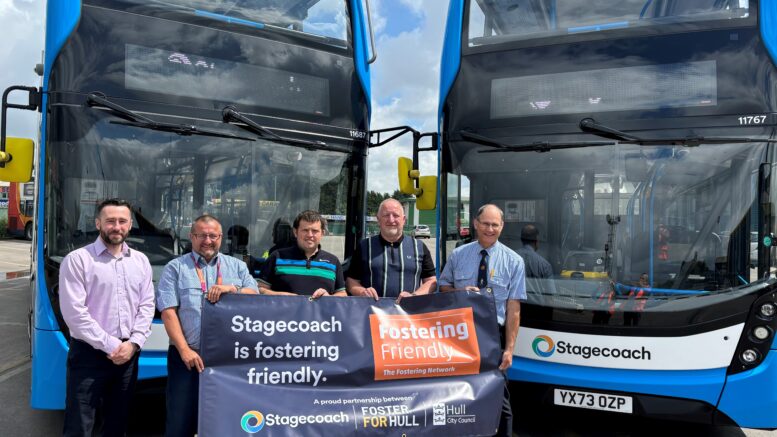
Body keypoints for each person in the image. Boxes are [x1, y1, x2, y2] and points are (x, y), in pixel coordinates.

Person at [59, 198, 155, 437]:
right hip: (89, 355)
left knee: (117, 423)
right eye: (110, 221)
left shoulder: (140, 261)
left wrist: (133, 344)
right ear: (98, 223)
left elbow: (146, 305)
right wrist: (114, 346)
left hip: (128, 356)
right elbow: (75, 315)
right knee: (79, 426)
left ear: (130, 224)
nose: (117, 226)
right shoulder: (78, 260)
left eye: (122, 221)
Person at [156, 214, 259, 437]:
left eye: (213, 235)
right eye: (202, 235)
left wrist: (231, 289)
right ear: (192, 237)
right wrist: (184, 350)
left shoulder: (237, 267)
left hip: (227, 360)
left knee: (226, 422)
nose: (208, 240)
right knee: (180, 421)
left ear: (221, 238)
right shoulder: (176, 268)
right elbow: (168, 312)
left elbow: (255, 294)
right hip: (188, 358)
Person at [438, 204, 526, 437]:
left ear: (502, 227)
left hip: (492, 338)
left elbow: (514, 309)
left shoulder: (514, 261)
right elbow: (443, 287)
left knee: (499, 398)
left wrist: (509, 349)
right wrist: (459, 292)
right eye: (485, 224)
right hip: (461, 335)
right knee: (459, 395)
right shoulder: (458, 255)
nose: (489, 229)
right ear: (475, 224)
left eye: (494, 224)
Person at [346, 198, 436, 301]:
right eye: (386, 215)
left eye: (396, 215)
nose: (391, 220)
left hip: (408, 314)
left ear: (404, 220)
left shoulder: (419, 247)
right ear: (378, 219)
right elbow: (350, 282)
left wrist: (414, 296)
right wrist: (362, 292)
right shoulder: (364, 246)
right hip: (373, 313)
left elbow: (431, 281)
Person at [259, 210, 347, 297]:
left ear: (322, 233)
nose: (310, 235)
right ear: (295, 232)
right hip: (285, 311)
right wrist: (280, 296)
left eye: (315, 231)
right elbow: (259, 289)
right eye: (305, 230)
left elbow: (343, 294)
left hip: (321, 312)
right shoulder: (277, 257)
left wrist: (329, 298)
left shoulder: (333, 261)